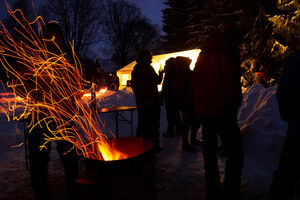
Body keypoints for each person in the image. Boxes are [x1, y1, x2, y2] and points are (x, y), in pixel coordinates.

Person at [27, 22, 78, 200]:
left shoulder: (67, 60)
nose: (52, 40)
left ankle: (71, 190)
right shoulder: (34, 58)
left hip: (62, 115)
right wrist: (31, 92)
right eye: (49, 36)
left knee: (68, 156)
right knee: (41, 159)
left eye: (55, 36)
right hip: (41, 116)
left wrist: (71, 95)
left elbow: (77, 88)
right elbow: (21, 83)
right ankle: (43, 193)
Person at [193, 24, 244, 199]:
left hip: (205, 109)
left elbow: (197, 79)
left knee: (209, 149)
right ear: (234, 39)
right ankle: (231, 188)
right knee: (236, 152)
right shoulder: (227, 52)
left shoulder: (205, 53)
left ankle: (212, 187)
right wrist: (233, 104)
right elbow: (230, 81)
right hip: (222, 109)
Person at [268, 47, 300, 200]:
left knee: (286, 177)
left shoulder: (296, 60)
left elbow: (285, 95)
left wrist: (291, 118)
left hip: (298, 132)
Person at [131, 49, 164, 151]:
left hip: (143, 103)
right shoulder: (147, 69)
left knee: (143, 125)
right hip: (151, 103)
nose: (151, 59)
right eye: (150, 57)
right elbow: (157, 81)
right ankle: (152, 146)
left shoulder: (136, 70)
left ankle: (141, 146)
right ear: (145, 58)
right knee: (152, 126)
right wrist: (161, 73)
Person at [174, 56, 201, 152]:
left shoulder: (187, 73)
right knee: (187, 124)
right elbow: (181, 90)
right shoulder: (182, 75)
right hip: (187, 103)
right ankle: (185, 143)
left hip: (193, 102)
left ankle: (193, 139)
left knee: (195, 122)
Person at [161, 57, 181, 137]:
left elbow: (166, 86)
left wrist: (163, 95)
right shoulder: (176, 72)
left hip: (170, 97)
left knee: (170, 115)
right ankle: (179, 130)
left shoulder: (169, 73)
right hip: (175, 96)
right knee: (176, 114)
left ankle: (171, 131)